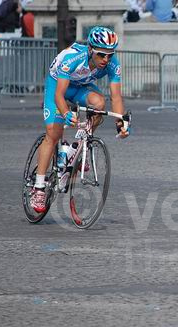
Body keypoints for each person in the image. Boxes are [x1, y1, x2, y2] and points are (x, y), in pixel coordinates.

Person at [28, 26, 130, 213]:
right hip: (58, 87)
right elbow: (59, 96)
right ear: (90, 49)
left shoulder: (112, 64)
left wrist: (120, 123)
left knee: (99, 104)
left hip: (80, 87)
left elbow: (116, 97)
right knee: (54, 134)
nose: (106, 60)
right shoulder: (73, 59)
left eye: (110, 55)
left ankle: (78, 146)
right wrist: (66, 113)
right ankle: (39, 186)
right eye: (101, 55)